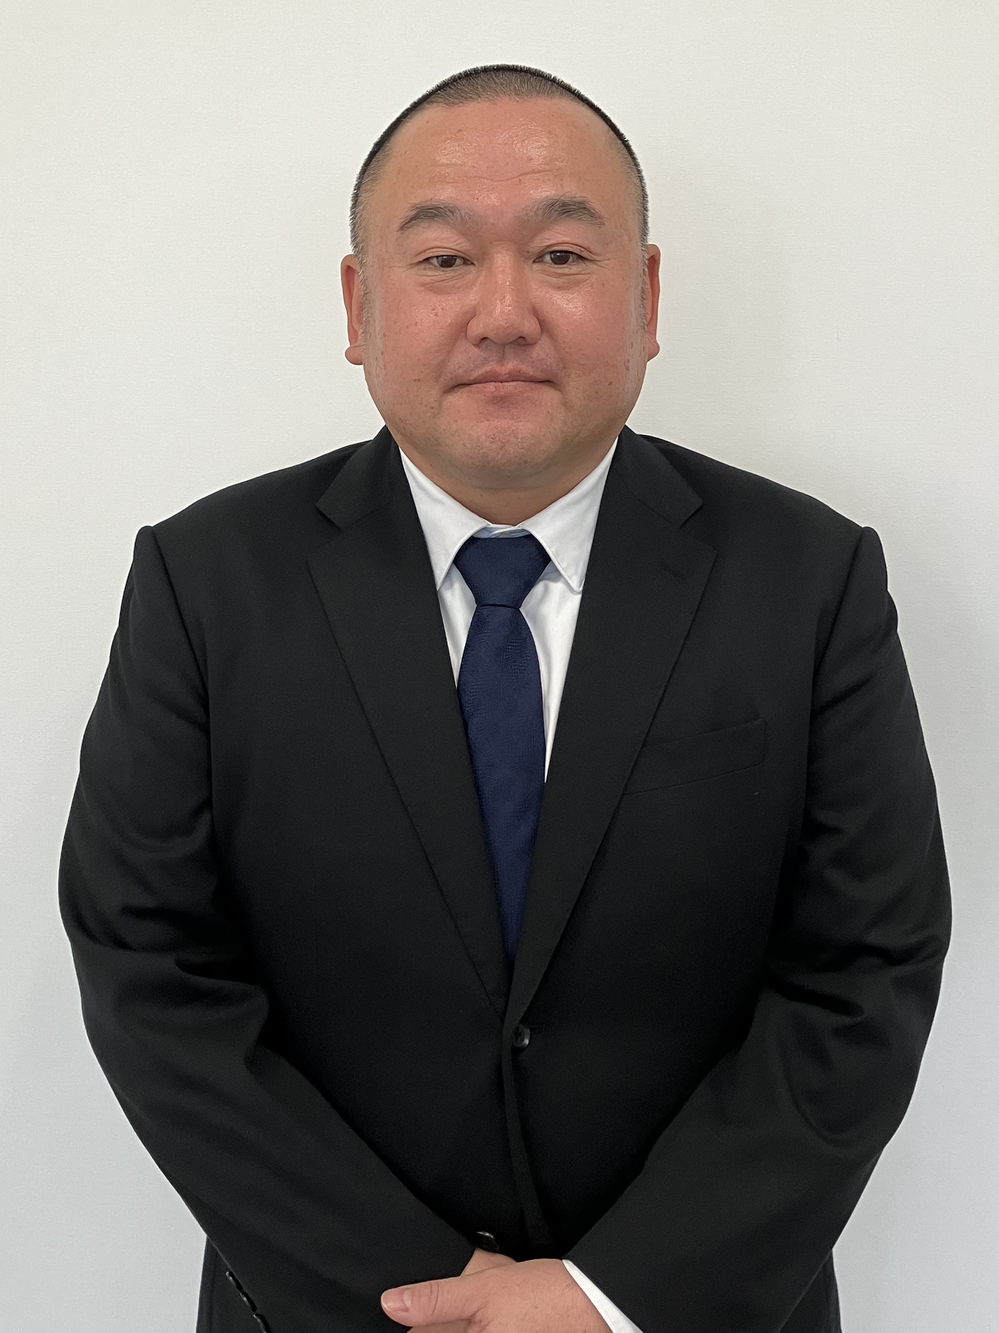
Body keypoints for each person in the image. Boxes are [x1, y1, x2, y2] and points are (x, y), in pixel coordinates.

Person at [59, 63, 951, 1333]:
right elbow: (150, 971)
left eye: (563, 254)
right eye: (442, 260)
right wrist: (421, 1292)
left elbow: (862, 970)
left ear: (646, 299)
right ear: (359, 306)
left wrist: (613, 1295)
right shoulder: (207, 583)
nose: (503, 312)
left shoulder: (809, 578)